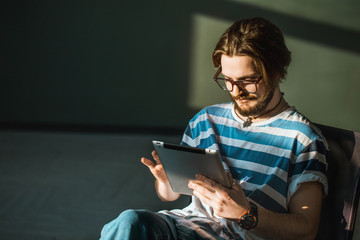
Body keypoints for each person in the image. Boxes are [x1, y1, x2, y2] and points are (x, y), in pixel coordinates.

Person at [100, 17, 328, 240]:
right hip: (188, 226)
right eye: (228, 79)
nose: (236, 91)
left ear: (277, 71)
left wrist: (244, 214)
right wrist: (167, 180)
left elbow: (306, 229)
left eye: (248, 80)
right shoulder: (205, 121)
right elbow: (169, 195)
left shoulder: (303, 139)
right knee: (129, 222)